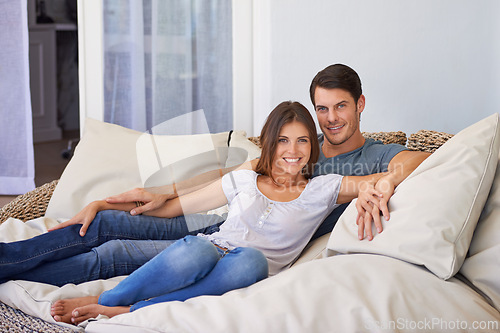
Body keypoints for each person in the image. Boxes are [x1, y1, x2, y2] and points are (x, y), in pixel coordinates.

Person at [0, 64, 429, 287]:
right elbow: (236, 172)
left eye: (341, 106)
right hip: (218, 223)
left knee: (110, 254)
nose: (331, 118)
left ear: (360, 105)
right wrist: (160, 192)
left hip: (235, 246)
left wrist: (386, 181)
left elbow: (415, 159)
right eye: (323, 107)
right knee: (106, 222)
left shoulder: (375, 155)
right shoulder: (301, 145)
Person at [50, 101, 389, 325]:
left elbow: (388, 175)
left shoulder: (324, 187)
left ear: (312, 147)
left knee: (252, 260)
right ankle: (109, 300)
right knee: (197, 246)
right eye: (284, 141)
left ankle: (127, 310)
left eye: (302, 141)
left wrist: (377, 189)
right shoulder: (246, 177)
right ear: (271, 144)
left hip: (246, 268)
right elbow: (174, 206)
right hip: (209, 248)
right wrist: (104, 203)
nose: (293, 150)